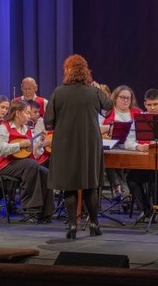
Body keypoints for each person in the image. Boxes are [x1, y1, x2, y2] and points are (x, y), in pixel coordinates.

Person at [45, 54, 113, 239]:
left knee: (69, 186)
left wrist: (62, 122)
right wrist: (98, 89)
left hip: (65, 143)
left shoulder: (58, 92)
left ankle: (72, 225)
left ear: (67, 71)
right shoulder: (93, 92)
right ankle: (94, 223)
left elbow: (48, 122)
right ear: (86, 71)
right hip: (89, 143)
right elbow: (109, 106)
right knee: (90, 185)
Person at [0, 99, 54, 222]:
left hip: (24, 165)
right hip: (4, 164)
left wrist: (40, 143)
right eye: (27, 113)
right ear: (17, 113)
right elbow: (0, 149)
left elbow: (35, 154)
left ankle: (45, 213)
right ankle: (29, 210)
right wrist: (19, 145)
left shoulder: (27, 129)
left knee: (45, 172)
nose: (29, 116)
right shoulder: (3, 128)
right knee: (31, 165)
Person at [124, 89, 158, 220]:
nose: (152, 108)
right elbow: (128, 142)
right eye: (149, 105)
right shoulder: (139, 119)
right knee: (131, 179)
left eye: (155, 104)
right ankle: (145, 210)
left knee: (157, 178)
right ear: (145, 104)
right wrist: (138, 146)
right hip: (143, 162)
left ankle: (157, 211)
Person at [100, 85, 142, 202]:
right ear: (115, 98)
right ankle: (117, 188)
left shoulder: (138, 113)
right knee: (109, 158)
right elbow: (97, 129)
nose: (125, 100)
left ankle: (125, 190)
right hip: (113, 147)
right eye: (122, 97)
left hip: (132, 148)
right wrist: (108, 128)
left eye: (128, 98)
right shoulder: (107, 113)